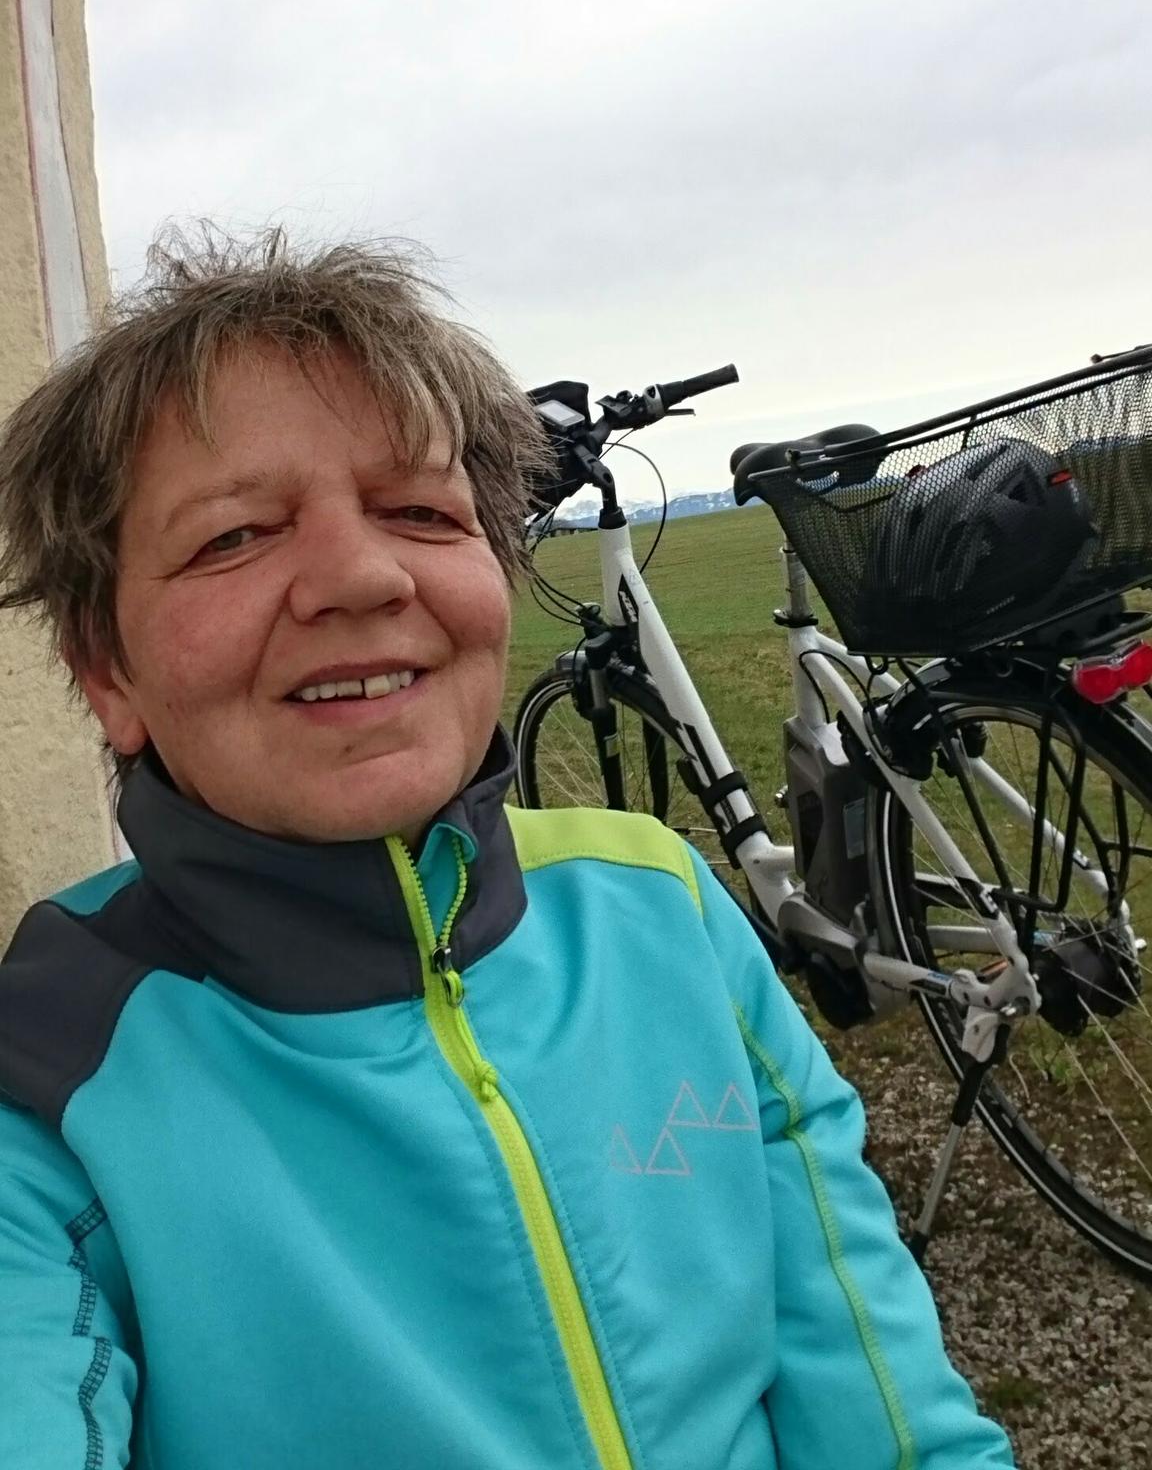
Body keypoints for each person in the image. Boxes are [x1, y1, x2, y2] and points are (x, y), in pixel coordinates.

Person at [0, 228, 1014, 1470]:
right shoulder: (48, 1068)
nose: (360, 574)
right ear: (108, 670)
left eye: (421, 510)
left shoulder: (660, 901)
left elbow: (892, 1405)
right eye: (235, 534)